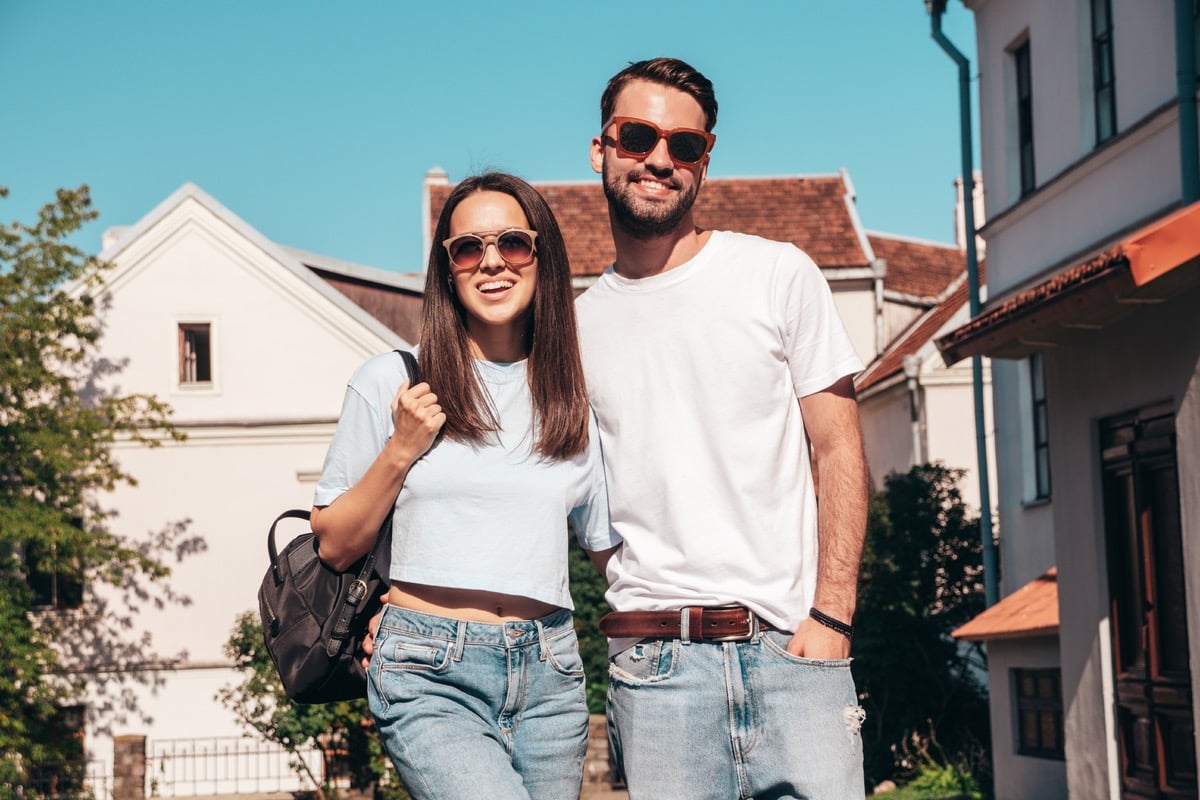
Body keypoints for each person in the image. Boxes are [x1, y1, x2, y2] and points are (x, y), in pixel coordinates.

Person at [575, 57, 870, 799]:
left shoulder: (778, 274)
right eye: (639, 135)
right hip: (658, 670)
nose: (659, 159)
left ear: (705, 161)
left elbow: (838, 448)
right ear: (601, 148)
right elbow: (580, 496)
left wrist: (832, 616)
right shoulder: (574, 329)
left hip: (796, 652)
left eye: (685, 145)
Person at [311, 172, 620, 800]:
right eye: (468, 248)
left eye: (513, 243)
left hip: (550, 672)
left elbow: (613, 554)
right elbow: (334, 545)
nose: (493, 263)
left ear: (542, 258)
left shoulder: (574, 398)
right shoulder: (390, 379)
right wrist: (401, 448)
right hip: (429, 669)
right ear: (446, 268)